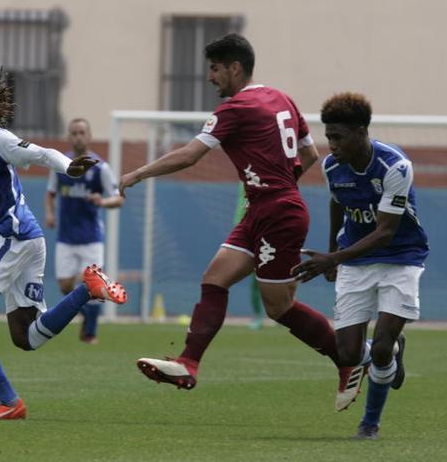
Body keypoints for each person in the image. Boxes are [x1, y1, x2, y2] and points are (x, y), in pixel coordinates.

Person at [120, 33, 361, 410]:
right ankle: (188, 363)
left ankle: (348, 359)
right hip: (265, 208)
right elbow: (310, 154)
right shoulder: (282, 98)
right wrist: (276, 184)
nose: (210, 77)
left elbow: (188, 156)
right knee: (215, 278)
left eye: (215, 69)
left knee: (278, 307)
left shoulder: (234, 109)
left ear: (235, 67)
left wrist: (136, 174)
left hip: (277, 213)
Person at [0, 73, 127, 421]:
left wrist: (69, 167)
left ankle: (7, 401)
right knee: (26, 338)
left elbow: (41, 153)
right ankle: (87, 291)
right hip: (24, 239)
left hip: (12, 232)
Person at [292, 92, 429, 439]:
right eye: (329, 137)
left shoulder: (395, 166)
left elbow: (385, 232)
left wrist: (335, 257)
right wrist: (331, 255)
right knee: (349, 353)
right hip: (353, 258)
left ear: (361, 132)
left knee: (381, 346)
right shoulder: (331, 167)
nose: (332, 145)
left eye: (338, 137)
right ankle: (392, 351)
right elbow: (338, 205)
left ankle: (370, 423)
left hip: (400, 257)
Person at [44, 118, 125, 345]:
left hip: (91, 237)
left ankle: (90, 333)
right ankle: (86, 318)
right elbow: (50, 193)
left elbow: (118, 199)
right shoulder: (61, 165)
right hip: (66, 237)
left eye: (82, 132)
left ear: (89, 137)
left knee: (93, 284)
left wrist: (102, 202)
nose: (78, 136)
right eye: (74, 133)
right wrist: (49, 214)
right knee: (64, 285)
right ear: (70, 137)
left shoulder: (100, 167)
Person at [233, 183, 264, 330]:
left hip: (271, 229)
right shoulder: (244, 181)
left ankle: (286, 311)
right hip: (248, 232)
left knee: (281, 276)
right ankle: (258, 316)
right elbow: (242, 205)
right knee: (255, 279)